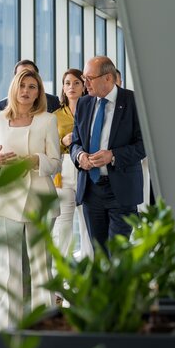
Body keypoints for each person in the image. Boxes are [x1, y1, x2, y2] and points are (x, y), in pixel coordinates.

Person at [0, 69, 61, 330]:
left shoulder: (47, 120)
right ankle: (7, 326)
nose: (27, 91)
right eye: (23, 86)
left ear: (39, 92)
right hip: (6, 198)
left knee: (41, 265)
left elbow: (55, 163)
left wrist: (33, 160)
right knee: (7, 267)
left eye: (33, 87)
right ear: (14, 89)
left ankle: (46, 323)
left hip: (39, 196)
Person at [70, 56, 145, 252]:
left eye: (89, 78)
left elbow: (144, 145)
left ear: (108, 78)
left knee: (118, 255)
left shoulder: (133, 101)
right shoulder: (84, 104)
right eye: (84, 78)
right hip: (91, 190)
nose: (84, 84)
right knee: (100, 256)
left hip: (120, 190)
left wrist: (112, 155)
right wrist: (80, 156)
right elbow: (75, 142)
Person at [52, 69, 93, 274]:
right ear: (63, 87)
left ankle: (89, 278)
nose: (71, 87)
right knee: (63, 226)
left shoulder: (93, 110)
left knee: (87, 225)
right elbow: (49, 148)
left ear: (84, 85)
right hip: (64, 171)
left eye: (76, 83)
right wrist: (62, 141)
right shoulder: (55, 116)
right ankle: (59, 282)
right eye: (67, 83)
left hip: (87, 168)